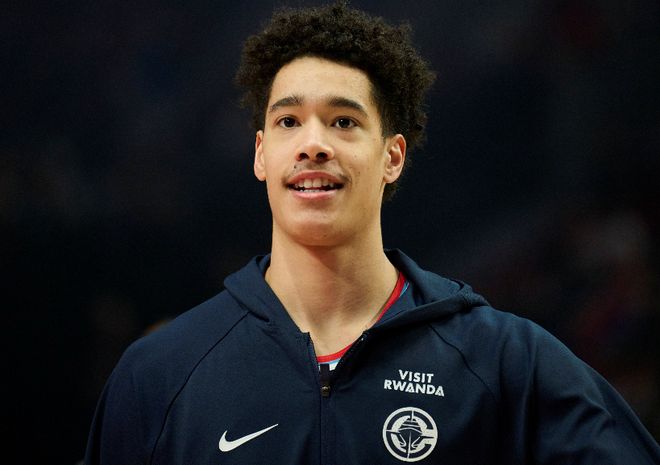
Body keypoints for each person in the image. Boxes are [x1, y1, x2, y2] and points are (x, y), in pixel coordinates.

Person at [84, 2, 660, 464]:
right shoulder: (161, 373)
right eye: (288, 121)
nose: (313, 144)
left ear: (392, 157)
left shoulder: (506, 362)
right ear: (261, 154)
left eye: (343, 121)